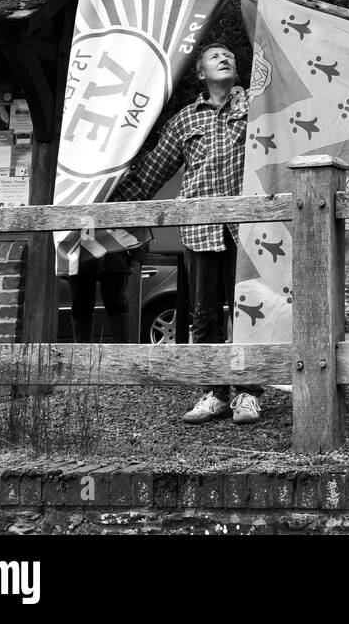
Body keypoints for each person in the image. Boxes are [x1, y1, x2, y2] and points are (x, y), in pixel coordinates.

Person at [111, 43, 264, 425]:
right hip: (199, 229)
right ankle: (215, 393)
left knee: (250, 313)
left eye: (228, 55)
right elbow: (151, 172)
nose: (224, 58)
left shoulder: (259, 109)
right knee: (204, 315)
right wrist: (105, 200)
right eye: (214, 56)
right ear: (200, 74)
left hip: (249, 228)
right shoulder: (184, 121)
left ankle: (248, 393)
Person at [67, 250, 130, 344]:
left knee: (83, 305)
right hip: (111, 250)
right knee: (116, 304)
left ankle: (123, 351)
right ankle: (123, 351)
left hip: (84, 252)